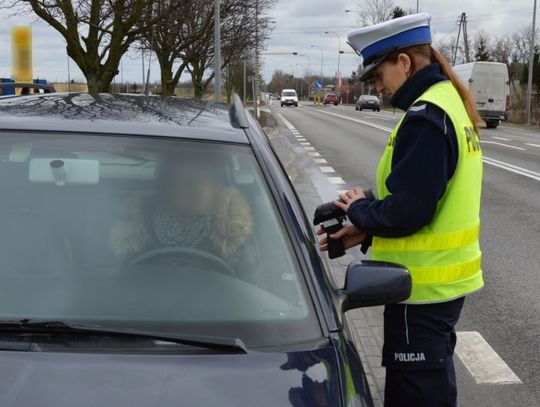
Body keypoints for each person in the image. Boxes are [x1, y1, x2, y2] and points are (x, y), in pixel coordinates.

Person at [318, 13, 484, 407]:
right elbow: (425, 197)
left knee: (417, 397)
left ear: (405, 63)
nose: (380, 87)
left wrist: (360, 210)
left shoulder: (428, 117)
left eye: (379, 76)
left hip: (420, 292)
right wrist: (366, 227)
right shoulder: (447, 104)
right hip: (437, 289)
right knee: (432, 392)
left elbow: (409, 211)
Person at [110, 151, 258, 276]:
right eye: (188, 181)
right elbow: (122, 287)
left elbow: (253, 294)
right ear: (167, 187)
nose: (199, 191)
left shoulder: (234, 236)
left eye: (208, 181)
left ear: (218, 187)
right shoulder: (135, 235)